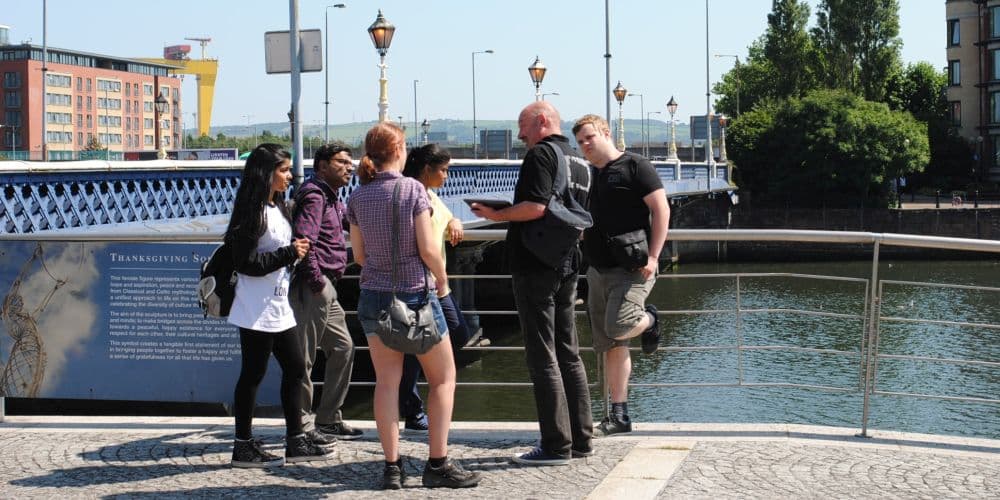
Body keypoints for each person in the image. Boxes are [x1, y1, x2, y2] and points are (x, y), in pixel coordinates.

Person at [347, 122, 481, 490]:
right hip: (416, 296)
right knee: (442, 378)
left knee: (386, 384)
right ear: (400, 149)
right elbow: (427, 248)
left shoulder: (357, 197)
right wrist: (441, 277)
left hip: (374, 297)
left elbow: (358, 255)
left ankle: (392, 468)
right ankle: (437, 463)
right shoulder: (411, 190)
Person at [471, 101, 594, 466]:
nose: (521, 134)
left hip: (536, 264)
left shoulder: (541, 155)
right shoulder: (578, 159)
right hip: (567, 261)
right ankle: (581, 439)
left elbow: (536, 207)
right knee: (568, 352)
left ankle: (555, 445)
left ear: (542, 121)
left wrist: (497, 214)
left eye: (523, 126)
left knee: (542, 356)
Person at [225, 143, 334, 467]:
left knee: (296, 368)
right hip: (254, 306)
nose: (290, 176)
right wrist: (289, 253)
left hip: (277, 304)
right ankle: (243, 445)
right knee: (253, 374)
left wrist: (295, 252)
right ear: (266, 173)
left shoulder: (278, 207)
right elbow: (245, 262)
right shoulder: (252, 210)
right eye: (284, 170)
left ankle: (295, 440)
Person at [572, 114, 670, 436]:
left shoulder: (635, 166)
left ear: (605, 133)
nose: (585, 145)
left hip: (634, 267)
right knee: (611, 343)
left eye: (589, 137)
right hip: (598, 269)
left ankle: (651, 320)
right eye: (580, 141)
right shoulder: (590, 175)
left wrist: (655, 257)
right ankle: (619, 415)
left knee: (620, 325)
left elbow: (661, 209)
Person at [397, 143, 473, 434]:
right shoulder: (413, 194)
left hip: (438, 285)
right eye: (443, 170)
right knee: (422, 345)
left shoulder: (429, 194)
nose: (447, 176)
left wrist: (455, 219)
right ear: (426, 169)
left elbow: (446, 214)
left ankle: (415, 404)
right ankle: (413, 411)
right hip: (424, 283)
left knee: (457, 334)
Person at [289, 143, 363, 444]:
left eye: (351, 163)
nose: (349, 168)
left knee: (344, 348)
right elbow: (303, 241)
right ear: (321, 166)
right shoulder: (315, 195)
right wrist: (317, 282)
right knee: (304, 359)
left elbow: (352, 224)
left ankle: (329, 418)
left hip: (328, 285)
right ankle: (303, 427)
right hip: (314, 286)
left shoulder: (333, 198)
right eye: (342, 162)